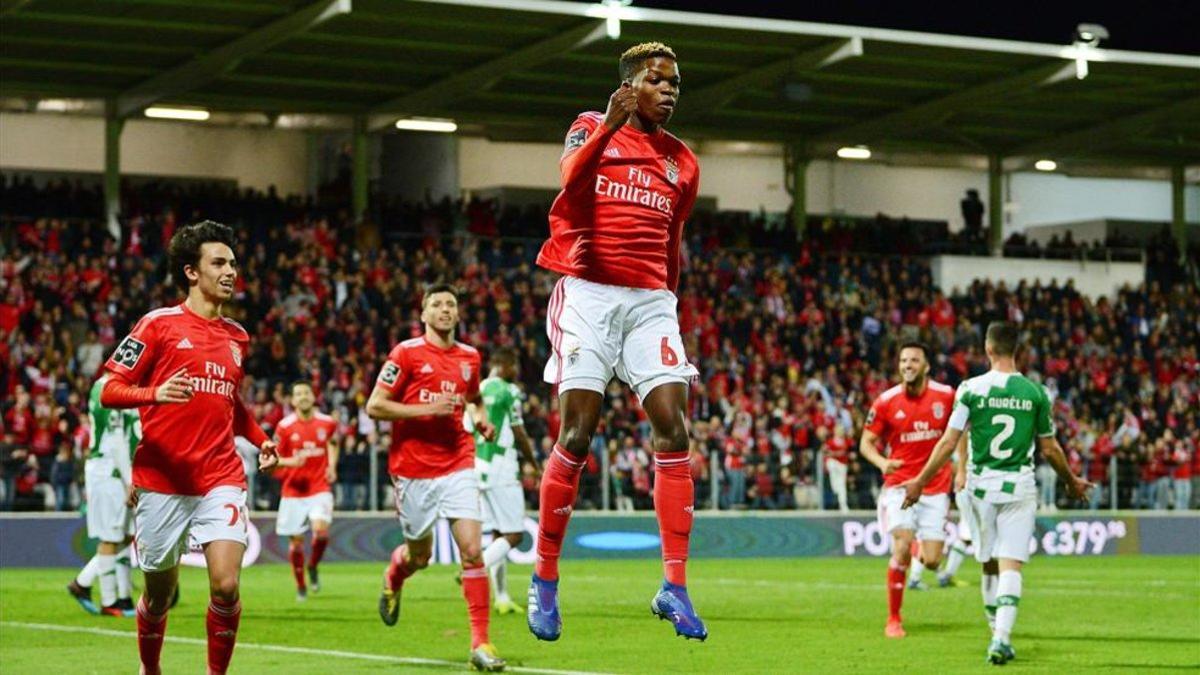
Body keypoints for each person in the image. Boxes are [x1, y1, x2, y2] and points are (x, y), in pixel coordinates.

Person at [529, 40, 706, 643]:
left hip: (652, 301)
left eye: (676, 83)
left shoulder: (682, 161)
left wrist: (672, 313)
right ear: (631, 85)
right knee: (577, 433)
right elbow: (568, 182)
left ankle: (674, 586)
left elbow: (672, 242)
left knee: (675, 428)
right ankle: (545, 578)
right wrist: (607, 123)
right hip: (589, 294)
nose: (671, 91)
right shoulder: (588, 128)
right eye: (659, 81)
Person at [100, 220, 278, 675]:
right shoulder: (157, 325)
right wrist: (153, 394)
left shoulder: (237, 336)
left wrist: (261, 440)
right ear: (191, 272)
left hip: (219, 476)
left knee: (224, 585)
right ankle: (151, 668)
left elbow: (231, 404)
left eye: (233, 263)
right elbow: (109, 388)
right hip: (162, 480)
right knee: (159, 593)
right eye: (218, 262)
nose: (230, 271)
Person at [901, 322, 1090, 665]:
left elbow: (948, 442)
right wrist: (1072, 480)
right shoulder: (1035, 393)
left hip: (980, 488)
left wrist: (919, 480)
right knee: (1010, 566)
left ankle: (997, 632)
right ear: (1017, 350)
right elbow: (1050, 450)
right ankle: (1000, 638)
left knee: (988, 564)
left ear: (988, 349)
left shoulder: (970, 389)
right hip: (1018, 487)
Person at [367, 283, 505, 672]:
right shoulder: (405, 354)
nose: (445, 310)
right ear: (423, 314)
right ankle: (395, 574)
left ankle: (481, 643)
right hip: (412, 470)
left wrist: (480, 420)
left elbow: (474, 398)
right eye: (437, 304)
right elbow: (374, 406)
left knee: (472, 550)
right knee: (420, 557)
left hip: (458, 461)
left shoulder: (470, 357)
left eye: (451, 304)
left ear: (458, 314)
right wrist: (423, 411)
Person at [858, 341, 956, 638]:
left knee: (933, 560)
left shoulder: (946, 396)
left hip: (935, 486)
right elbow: (865, 443)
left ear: (926, 366)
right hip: (899, 486)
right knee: (900, 547)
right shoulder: (886, 401)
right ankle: (894, 619)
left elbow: (959, 432)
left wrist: (962, 467)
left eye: (914, 360)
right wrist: (881, 462)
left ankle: (918, 547)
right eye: (903, 361)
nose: (907, 366)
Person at [463, 346, 541, 615]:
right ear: (503, 364)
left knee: (498, 534)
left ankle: (502, 597)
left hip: (478, 467)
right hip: (502, 467)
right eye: (514, 365)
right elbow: (519, 433)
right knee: (514, 534)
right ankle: (474, 570)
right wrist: (534, 464)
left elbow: (465, 430)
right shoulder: (510, 392)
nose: (516, 371)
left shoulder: (475, 391)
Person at [67, 374, 140, 617]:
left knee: (126, 535)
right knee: (111, 536)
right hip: (109, 470)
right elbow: (117, 441)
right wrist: (128, 480)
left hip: (118, 469)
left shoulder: (120, 387)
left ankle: (123, 597)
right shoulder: (109, 388)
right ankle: (107, 600)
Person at [272, 380, 339, 601]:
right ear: (292, 400)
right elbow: (273, 461)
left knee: (321, 533)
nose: (303, 397)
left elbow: (333, 442)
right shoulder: (284, 427)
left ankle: (313, 566)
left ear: (314, 396)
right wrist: (292, 462)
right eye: (298, 393)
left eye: (306, 393)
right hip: (293, 491)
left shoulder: (327, 422)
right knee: (297, 542)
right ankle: (301, 585)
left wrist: (331, 466)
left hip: (320, 487)